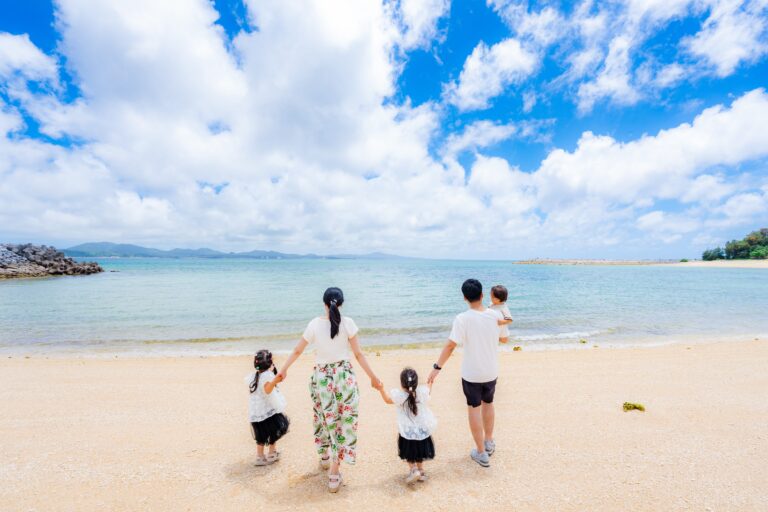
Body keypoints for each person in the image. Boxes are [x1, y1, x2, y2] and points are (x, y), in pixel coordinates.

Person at [277, 287, 382, 493]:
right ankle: (334, 473)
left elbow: (298, 350)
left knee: (324, 417)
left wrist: (283, 369)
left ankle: (325, 457)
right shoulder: (348, 323)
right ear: (341, 304)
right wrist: (373, 377)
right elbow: (359, 354)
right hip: (344, 377)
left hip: (322, 378)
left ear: (324, 303)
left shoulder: (314, 324)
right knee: (344, 422)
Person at [427, 278, 504, 467]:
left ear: (464, 298)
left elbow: (450, 346)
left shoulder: (462, 319)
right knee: (489, 403)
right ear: (483, 295)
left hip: (472, 374)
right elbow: (503, 339)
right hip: (491, 371)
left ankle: (480, 452)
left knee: (474, 409)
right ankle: (489, 442)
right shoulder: (495, 315)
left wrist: (436, 368)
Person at [375, 368, 437, 484]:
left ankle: (413, 470)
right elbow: (428, 390)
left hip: (407, 431)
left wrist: (381, 389)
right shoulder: (421, 393)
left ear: (402, 383)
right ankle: (421, 471)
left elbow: (388, 400)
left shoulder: (400, 396)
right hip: (421, 430)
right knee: (420, 451)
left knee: (409, 452)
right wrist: (430, 382)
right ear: (416, 383)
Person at [245, 349, 289, 466]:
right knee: (273, 432)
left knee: (261, 435)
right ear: (269, 363)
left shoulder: (255, 376)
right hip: (268, 411)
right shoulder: (267, 375)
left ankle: (260, 457)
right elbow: (267, 390)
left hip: (256, 412)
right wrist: (274, 380)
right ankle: (271, 453)